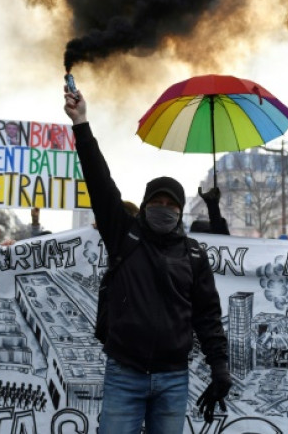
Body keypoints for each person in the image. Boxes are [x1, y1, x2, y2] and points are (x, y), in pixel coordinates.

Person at [64, 86, 230, 433]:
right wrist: (81, 123)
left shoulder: (194, 254)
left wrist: (220, 368)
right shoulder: (124, 235)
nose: (165, 210)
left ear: (181, 212)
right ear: (145, 204)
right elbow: (99, 181)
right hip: (124, 374)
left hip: (173, 379)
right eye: (158, 202)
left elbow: (208, 317)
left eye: (172, 205)